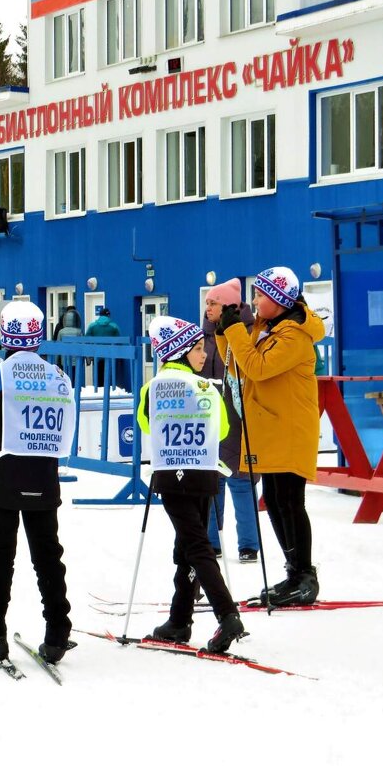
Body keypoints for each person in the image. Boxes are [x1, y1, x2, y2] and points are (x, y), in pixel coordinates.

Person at [0, 300, 74, 664]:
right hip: (43, 477)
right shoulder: (58, 376)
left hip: (3, 477)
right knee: (48, 557)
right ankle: (58, 632)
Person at [216, 266, 326, 606]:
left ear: (278, 300)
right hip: (270, 427)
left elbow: (259, 369)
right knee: (275, 501)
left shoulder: (294, 334)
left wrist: (235, 331)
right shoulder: (268, 328)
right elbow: (237, 365)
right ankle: (294, 571)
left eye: (261, 295)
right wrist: (225, 332)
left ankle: (305, 575)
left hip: (290, 429)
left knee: (291, 501)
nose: (255, 301)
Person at [137, 316, 246, 654]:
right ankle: (180, 618)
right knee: (188, 545)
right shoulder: (206, 387)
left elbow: (145, 422)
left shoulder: (154, 386)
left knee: (194, 545)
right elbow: (225, 428)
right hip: (204, 473)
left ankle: (227, 615)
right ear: (180, 352)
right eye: (198, 349)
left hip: (172, 474)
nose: (203, 354)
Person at [201, 278, 260, 563]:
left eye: (213, 303)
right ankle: (211, 541)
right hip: (210, 417)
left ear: (228, 305)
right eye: (207, 303)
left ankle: (249, 544)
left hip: (239, 416)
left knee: (242, 479)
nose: (207, 308)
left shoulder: (247, 333)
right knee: (211, 480)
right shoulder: (203, 338)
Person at [85, 305, 120, 388]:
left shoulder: (92, 326)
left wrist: (89, 354)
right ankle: (108, 389)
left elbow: (86, 340)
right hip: (110, 354)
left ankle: (97, 388)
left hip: (96, 354)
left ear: (100, 315)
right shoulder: (114, 326)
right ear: (108, 315)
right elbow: (119, 340)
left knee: (98, 373)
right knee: (108, 374)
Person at [53, 304, 83, 386]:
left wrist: (56, 361)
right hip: (76, 359)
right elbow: (82, 346)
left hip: (64, 359)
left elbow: (58, 346)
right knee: (76, 377)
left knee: (65, 377)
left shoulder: (61, 331)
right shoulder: (78, 331)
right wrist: (86, 360)